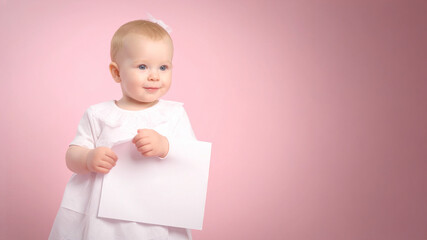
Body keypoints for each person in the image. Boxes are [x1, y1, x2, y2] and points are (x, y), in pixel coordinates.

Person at [49, 17, 200, 240]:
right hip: (103, 217)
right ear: (116, 72)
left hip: (155, 213)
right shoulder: (99, 114)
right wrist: (88, 158)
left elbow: (191, 158)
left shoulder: (173, 114)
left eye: (163, 67)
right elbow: (72, 155)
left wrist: (164, 146)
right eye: (142, 66)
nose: (154, 75)